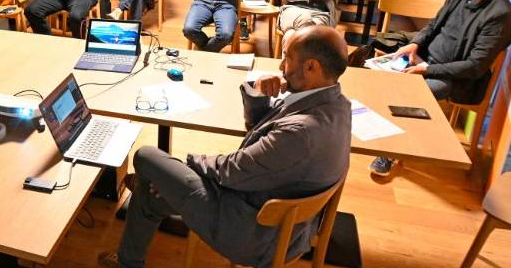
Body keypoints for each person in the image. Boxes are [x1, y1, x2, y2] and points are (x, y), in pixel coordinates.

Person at [97, 25, 352, 268]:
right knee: (150, 192)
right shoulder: (338, 105)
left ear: (311, 67)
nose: (281, 66)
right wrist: (258, 92)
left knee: (146, 157)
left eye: (287, 58)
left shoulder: (301, 132)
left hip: (254, 230)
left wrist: (187, 165)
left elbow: (232, 171)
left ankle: (149, 189)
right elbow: (259, 135)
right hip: (283, 216)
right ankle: (129, 259)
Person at [370, 0, 511, 176]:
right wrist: (415, 44)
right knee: (376, 70)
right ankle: (382, 130)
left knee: (411, 94)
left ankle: (391, 151)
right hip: (423, 58)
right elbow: (433, 26)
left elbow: (474, 67)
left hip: (452, 77)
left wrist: (427, 69)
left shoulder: (500, 14)